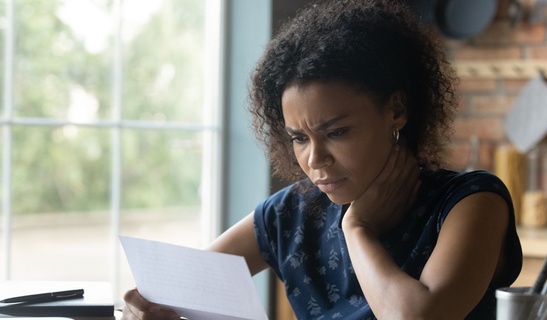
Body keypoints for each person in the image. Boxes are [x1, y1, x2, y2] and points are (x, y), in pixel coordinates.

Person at [122, 0, 523, 319]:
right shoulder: (291, 212)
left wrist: (358, 229)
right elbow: (170, 291)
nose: (315, 159)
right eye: (299, 138)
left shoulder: (471, 202)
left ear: (397, 110)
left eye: (336, 132)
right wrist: (146, 308)